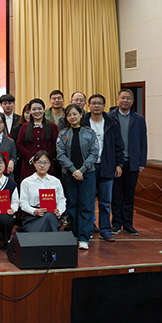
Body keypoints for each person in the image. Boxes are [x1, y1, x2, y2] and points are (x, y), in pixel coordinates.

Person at [56, 105, 99, 250]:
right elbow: (61, 155)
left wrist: (82, 170)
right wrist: (74, 171)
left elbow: (94, 153)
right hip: (69, 174)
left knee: (86, 206)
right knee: (72, 205)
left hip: (88, 174)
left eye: (75, 114)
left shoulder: (90, 133)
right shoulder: (63, 134)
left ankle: (84, 237)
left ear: (81, 114)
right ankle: (74, 234)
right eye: (69, 115)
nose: (72, 117)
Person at [83, 93, 124, 242]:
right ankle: (88, 229)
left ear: (104, 106)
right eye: (93, 103)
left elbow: (119, 146)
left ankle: (105, 230)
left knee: (105, 202)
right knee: (88, 202)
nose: (96, 106)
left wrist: (119, 164)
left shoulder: (111, 123)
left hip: (107, 166)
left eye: (99, 103)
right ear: (89, 106)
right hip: (88, 167)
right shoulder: (83, 122)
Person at [110, 89, 148, 236]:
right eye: (123, 98)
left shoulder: (139, 119)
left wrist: (142, 162)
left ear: (132, 101)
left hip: (132, 163)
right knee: (116, 195)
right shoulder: (110, 117)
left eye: (128, 98)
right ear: (117, 99)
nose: (125, 100)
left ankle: (128, 224)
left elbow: (143, 141)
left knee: (129, 196)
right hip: (115, 163)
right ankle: (116, 224)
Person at [19, 150, 67, 235]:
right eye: (39, 162)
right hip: (32, 217)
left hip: (51, 214)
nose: (42, 165)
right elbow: (23, 203)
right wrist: (34, 211)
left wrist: (59, 210)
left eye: (45, 162)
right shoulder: (27, 182)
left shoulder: (55, 181)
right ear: (34, 164)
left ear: (50, 164)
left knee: (50, 216)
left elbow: (61, 200)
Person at [16, 98, 59, 181]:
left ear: (44, 110)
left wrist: (46, 159)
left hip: (46, 165)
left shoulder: (52, 126)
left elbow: (56, 145)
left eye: (39, 109)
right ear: (30, 111)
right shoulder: (24, 127)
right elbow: (19, 144)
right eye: (34, 109)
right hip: (29, 165)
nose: (37, 111)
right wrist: (31, 158)